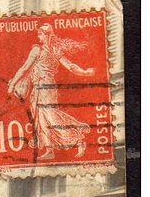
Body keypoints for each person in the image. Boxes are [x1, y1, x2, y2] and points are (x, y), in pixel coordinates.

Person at [7, 23, 95, 161]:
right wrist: (84, 72)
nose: (38, 36)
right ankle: (50, 150)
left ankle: (77, 138)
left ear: (46, 34)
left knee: (51, 116)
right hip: (44, 86)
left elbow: (24, 68)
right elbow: (71, 67)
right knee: (42, 118)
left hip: (43, 86)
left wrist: (12, 84)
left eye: (40, 34)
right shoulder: (55, 51)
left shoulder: (38, 50)